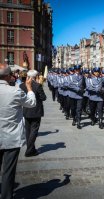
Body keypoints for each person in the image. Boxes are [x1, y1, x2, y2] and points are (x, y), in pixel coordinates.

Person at [0, 63, 36, 199]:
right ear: (9, 76)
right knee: (8, 171)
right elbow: (31, 103)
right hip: (11, 137)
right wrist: (29, 88)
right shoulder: (15, 91)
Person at [20, 70, 47, 157]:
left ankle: (31, 148)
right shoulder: (37, 85)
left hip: (26, 110)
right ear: (35, 77)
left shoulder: (21, 85)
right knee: (34, 131)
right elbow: (43, 98)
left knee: (28, 131)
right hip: (36, 111)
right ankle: (29, 150)